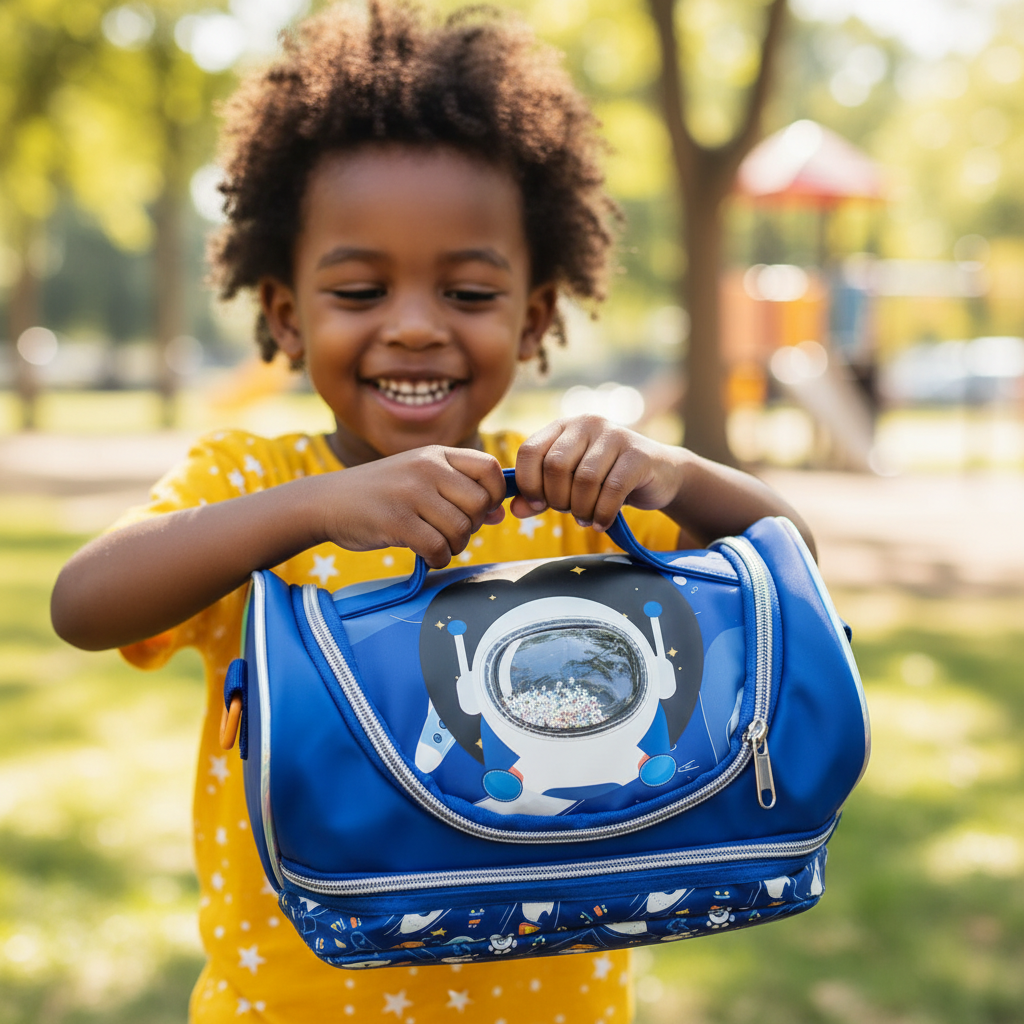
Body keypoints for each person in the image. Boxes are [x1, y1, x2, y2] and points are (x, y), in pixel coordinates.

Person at [51, 2, 815, 1021]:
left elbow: (788, 558)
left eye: (466, 294)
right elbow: (85, 604)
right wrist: (315, 506)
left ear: (534, 316)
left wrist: (670, 473)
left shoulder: (568, 493)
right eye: (360, 291)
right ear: (285, 313)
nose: (413, 328)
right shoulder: (254, 488)